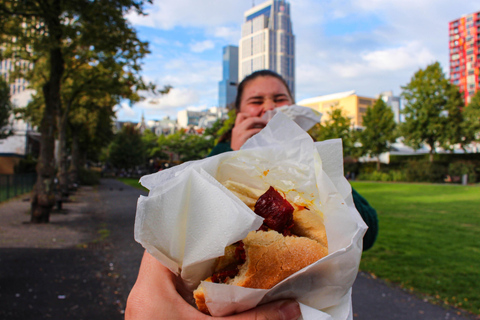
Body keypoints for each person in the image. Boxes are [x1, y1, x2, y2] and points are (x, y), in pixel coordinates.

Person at [126, 70, 377, 320]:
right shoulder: (214, 157)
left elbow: (367, 228)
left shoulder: (313, 157)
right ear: (239, 115)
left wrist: (315, 164)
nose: (268, 107)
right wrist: (235, 153)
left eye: (279, 99)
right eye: (256, 101)